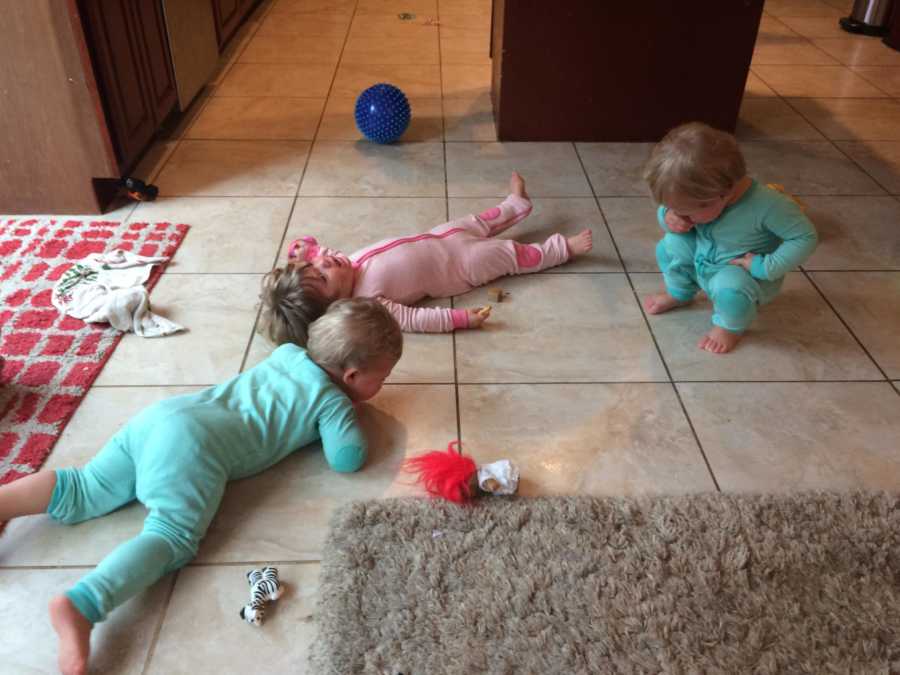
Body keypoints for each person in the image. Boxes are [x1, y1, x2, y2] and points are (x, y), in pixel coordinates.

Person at [0, 298, 402, 675]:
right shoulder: (331, 401)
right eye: (383, 377)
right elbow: (347, 459)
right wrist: (350, 413)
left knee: (83, 486)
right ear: (351, 376)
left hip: (164, 416)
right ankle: (82, 606)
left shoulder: (287, 354)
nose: (383, 385)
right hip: (196, 448)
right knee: (172, 535)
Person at [259, 172, 593, 339]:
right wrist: (462, 319)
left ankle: (515, 205)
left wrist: (309, 254)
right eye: (322, 275)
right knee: (509, 253)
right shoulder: (369, 301)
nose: (325, 263)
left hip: (440, 236)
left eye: (315, 265)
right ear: (335, 304)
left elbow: (320, 254)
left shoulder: (343, 266)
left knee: (480, 221)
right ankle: (562, 250)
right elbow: (417, 320)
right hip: (461, 267)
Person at [641, 122, 818, 354]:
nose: (680, 215)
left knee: (730, 286)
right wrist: (668, 217)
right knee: (669, 245)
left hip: (744, 274)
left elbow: (805, 237)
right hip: (702, 262)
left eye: (685, 211)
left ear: (722, 193)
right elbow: (673, 215)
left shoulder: (770, 206)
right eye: (674, 208)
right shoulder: (705, 201)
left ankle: (730, 327)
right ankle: (680, 293)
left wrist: (766, 267)